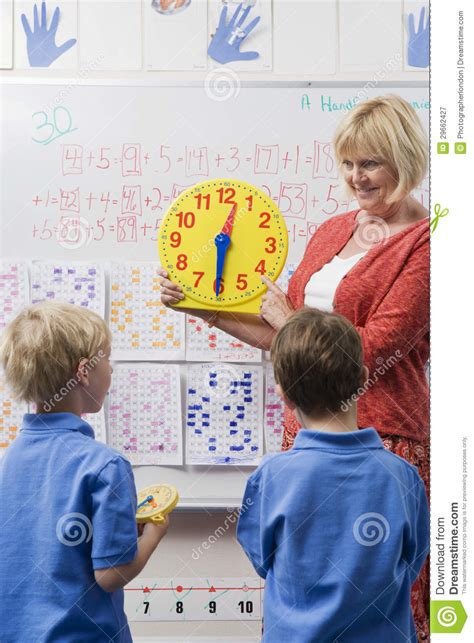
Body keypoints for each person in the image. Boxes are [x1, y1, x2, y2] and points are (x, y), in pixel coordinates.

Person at [160, 94, 430, 637]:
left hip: (381, 440)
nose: (357, 177)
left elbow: (367, 352)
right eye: (348, 163)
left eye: (371, 162)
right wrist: (203, 307)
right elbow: (285, 338)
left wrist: (289, 319)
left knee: (383, 597)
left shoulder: (430, 241)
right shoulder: (334, 231)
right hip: (304, 434)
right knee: (301, 586)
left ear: (404, 159)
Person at [237, 309, 429, 642]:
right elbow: (413, 562)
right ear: (363, 377)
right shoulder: (402, 475)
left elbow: (262, 559)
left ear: (283, 393)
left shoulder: (272, 476)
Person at [0, 302, 168, 642]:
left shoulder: (9, 461)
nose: (112, 369)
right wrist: (153, 534)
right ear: (84, 371)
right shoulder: (105, 465)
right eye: (107, 358)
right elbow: (111, 574)